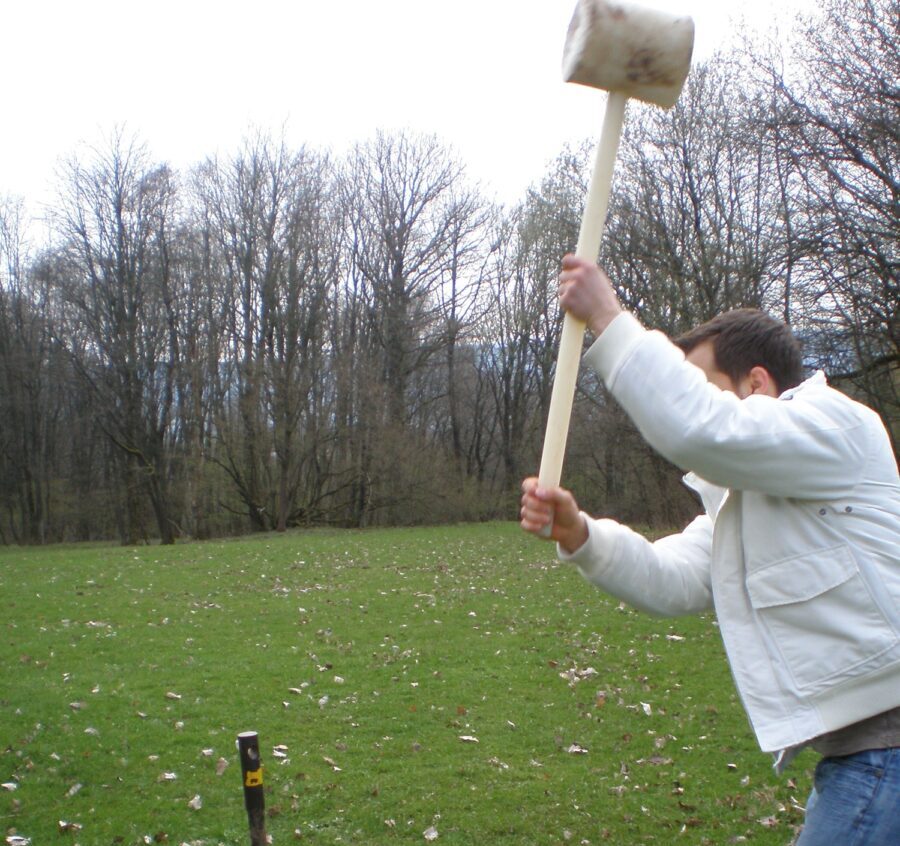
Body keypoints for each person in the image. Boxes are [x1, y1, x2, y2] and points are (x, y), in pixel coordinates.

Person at [520, 254, 900, 845]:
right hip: (864, 751)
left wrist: (609, 318)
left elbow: (700, 429)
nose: (698, 400)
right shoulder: (745, 502)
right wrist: (581, 534)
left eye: (705, 385)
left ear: (756, 382)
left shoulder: (836, 426)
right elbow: (672, 577)